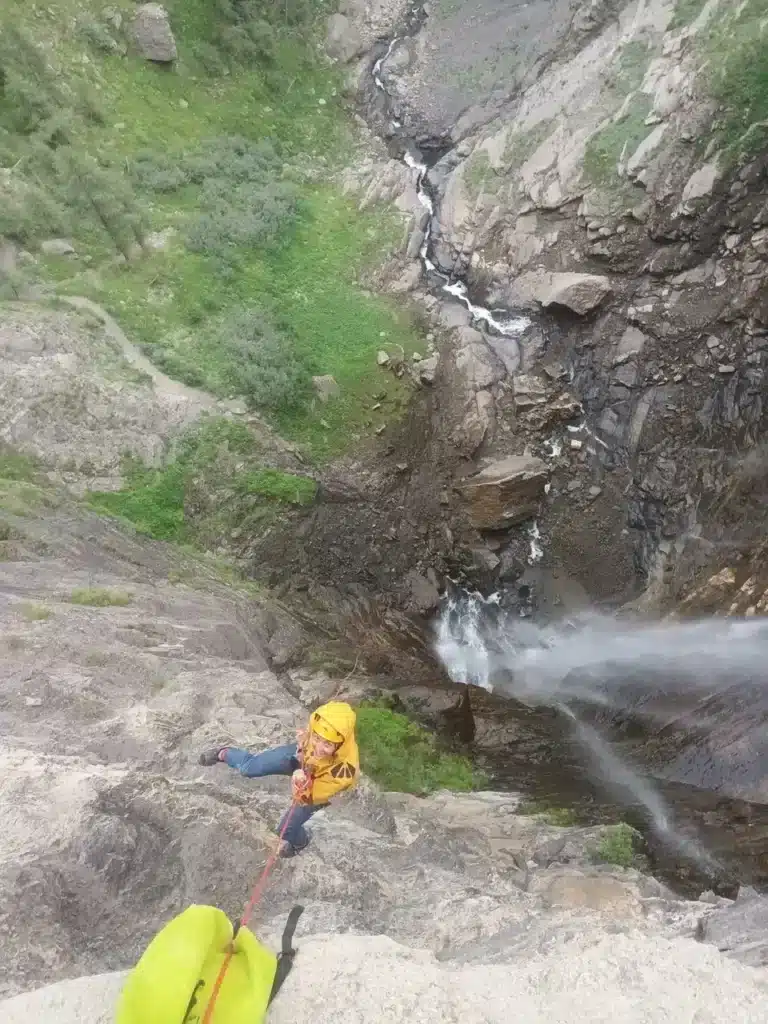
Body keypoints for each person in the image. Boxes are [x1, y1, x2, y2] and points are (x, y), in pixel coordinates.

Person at [199, 701, 359, 858]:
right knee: (249, 768)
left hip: (316, 787)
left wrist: (298, 780)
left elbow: (305, 798)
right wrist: (303, 745)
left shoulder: (344, 773)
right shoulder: (319, 720)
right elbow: (309, 738)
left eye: (328, 744)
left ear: (340, 745)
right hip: (300, 758)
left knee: (285, 831)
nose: (319, 748)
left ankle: (301, 841)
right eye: (317, 738)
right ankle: (224, 753)